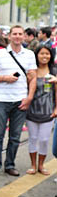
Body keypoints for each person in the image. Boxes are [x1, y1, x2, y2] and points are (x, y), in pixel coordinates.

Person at [0, 24, 37, 176]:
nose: (17, 36)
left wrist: (29, 98)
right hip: (1, 99)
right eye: (14, 34)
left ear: (23, 36)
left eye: (20, 34)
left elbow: (33, 78)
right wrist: (4, 78)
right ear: (9, 36)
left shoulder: (29, 54)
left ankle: (10, 164)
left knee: (15, 136)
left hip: (20, 100)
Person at [25, 45, 57, 174]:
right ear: (36, 55)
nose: (45, 56)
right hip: (32, 111)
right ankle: (33, 165)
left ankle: (41, 165)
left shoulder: (54, 71)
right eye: (42, 54)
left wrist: (56, 108)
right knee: (33, 138)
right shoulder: (32, 70)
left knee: (44, 139)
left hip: (48, 111)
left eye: (47, 54)